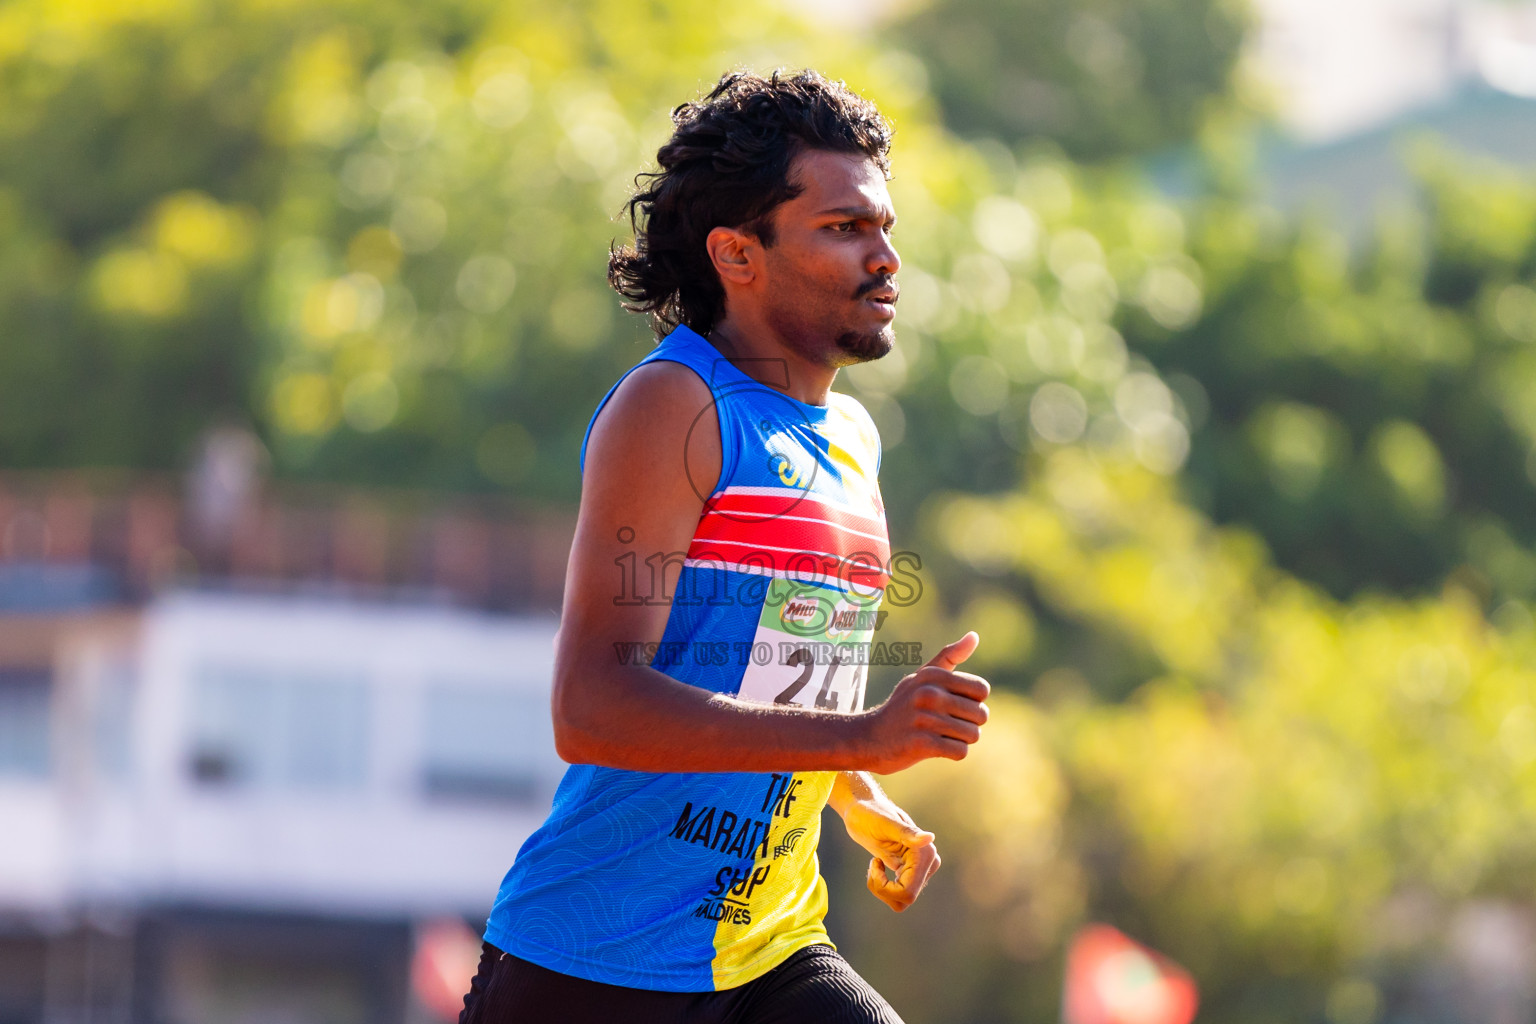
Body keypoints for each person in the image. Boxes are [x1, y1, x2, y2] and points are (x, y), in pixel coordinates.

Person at [459, 69, 991, 1024]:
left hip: (770, 948)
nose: (885, 259)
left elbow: (772, 680)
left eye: (884, 228)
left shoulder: (851, 441)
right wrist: (863, 735)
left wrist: (858, 794)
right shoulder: (675, 407)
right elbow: (591, 706)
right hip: (598, 971)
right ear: (737, 254)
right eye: (843, 229)